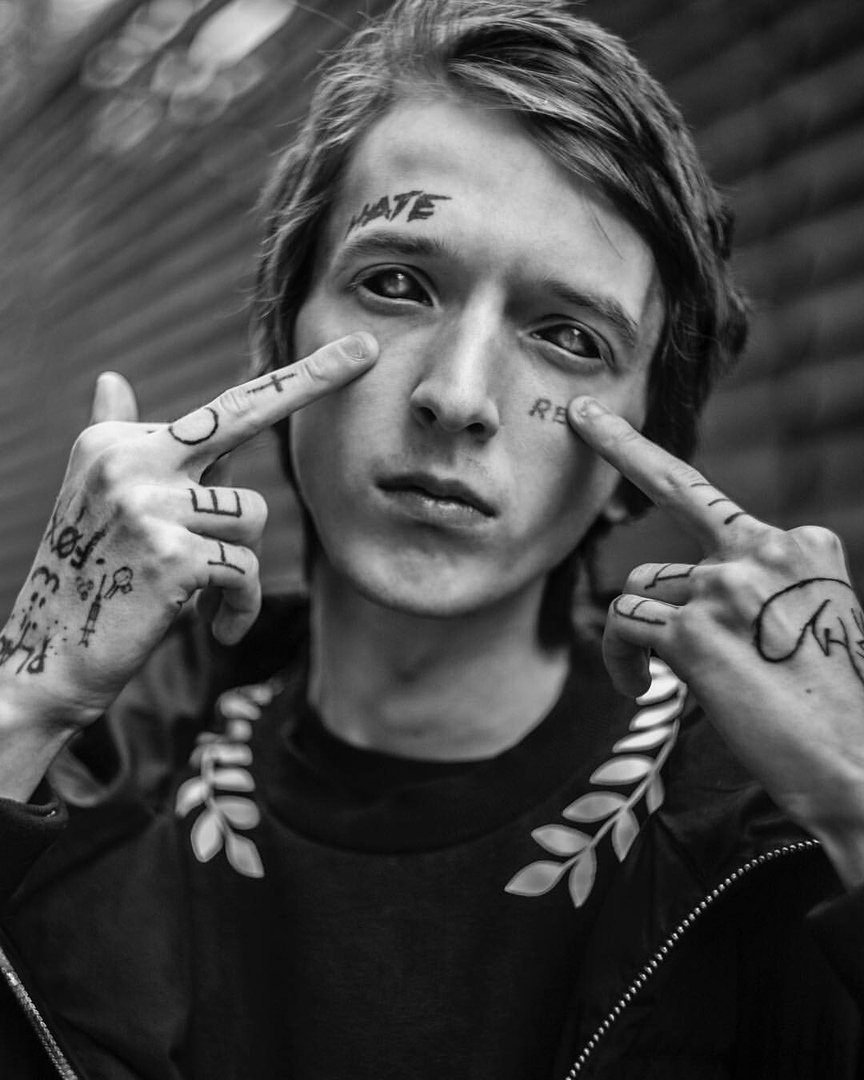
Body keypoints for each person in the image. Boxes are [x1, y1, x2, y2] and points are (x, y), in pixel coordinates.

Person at [0, 0, 862, 1076]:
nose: (457, 396)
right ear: (279, 338)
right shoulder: (86, 776)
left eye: (568, 336)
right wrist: (23, 706)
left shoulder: (776, 829)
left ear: (648, 443)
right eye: (398, 285)